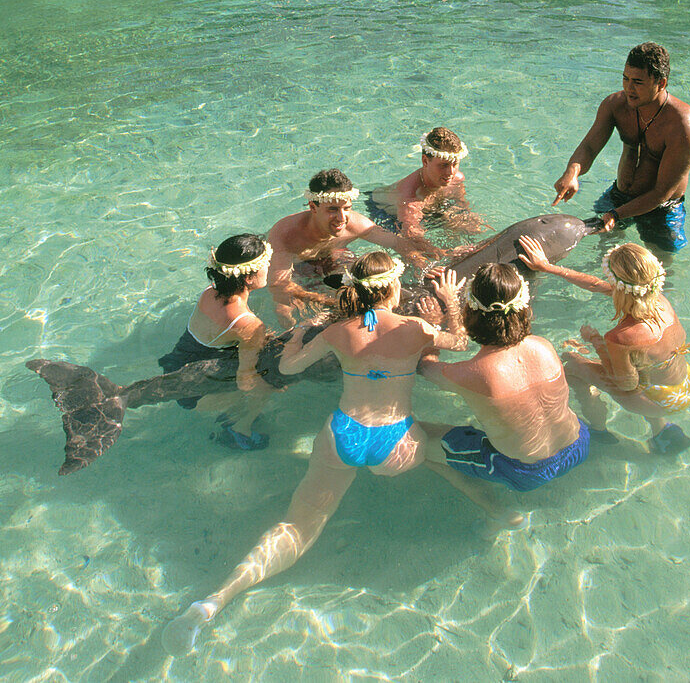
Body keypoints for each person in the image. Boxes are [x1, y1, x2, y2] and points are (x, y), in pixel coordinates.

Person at [162, 251, 469, 656]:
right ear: (394, 288)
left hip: (342, 434)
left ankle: (213, 602)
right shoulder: (415, 327)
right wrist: (450, 303)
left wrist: (296, 334)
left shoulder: (338, 332)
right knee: (449, 448)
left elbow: (287, 370)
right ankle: (496, 508)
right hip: (397, 442)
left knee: (297, 527)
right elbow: (461, 342)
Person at [419, 262, 589, 510]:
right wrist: (453, 305)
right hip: (578, 445)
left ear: (471, 310)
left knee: (415, 442)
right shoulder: (543, 346)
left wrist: (432, 326)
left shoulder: (472, 373)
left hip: (524, 472)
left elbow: (425, 366)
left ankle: (497, 511)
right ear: (523, 307)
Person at [518, 236, 690, 455]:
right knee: (644, 367)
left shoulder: (622, 337)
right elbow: (596, 285)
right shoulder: (657, 299)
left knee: (572, 365)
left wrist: (596, 342)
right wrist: (548, 267)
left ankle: (598, 429)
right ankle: (661, 431)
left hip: (659, 401)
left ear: (619, 287)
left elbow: (626, 385)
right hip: (686, 387)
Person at [552, 42, 690, 252]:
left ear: (661, 83)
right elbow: (589, 147)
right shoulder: (615, 105)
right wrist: (572, 172)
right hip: (619, 195)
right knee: (601, 252)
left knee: (662, 268)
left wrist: (616, 214)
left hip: (663, 207)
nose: (628, 88)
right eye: (625, 78)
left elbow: (662, 192)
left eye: (638, 82)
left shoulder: (684, 126)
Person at [266, 169, 443, 328]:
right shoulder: (286, 234)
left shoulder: (354, 223)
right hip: (300, 268)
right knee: (285, 315)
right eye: (333, 209)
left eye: (347, 208)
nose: (342, 218)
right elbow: (278, 284)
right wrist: (327, 301)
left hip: (337, 257)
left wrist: (420, 263)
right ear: (313, 207)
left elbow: (398, 243)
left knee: (373, 280)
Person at [158, 235, 273, 450]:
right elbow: (245, 380)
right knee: (266, 386)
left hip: (174, 370)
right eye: (266, 264)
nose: (269, 267)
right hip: (198, 393)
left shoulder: (209, 293)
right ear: (248, 278)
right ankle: (240, 428)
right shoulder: (248, 324)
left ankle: (230, 412)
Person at [367, 127, 483, 241]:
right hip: (386, 213)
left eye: (455, 164)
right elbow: (413, 239)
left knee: (472, 228)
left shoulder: (457, 179)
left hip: (429, 210)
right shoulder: (410, 197)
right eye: (444, 165)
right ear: (425, 161)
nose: (451, 172)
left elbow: (462, 208)